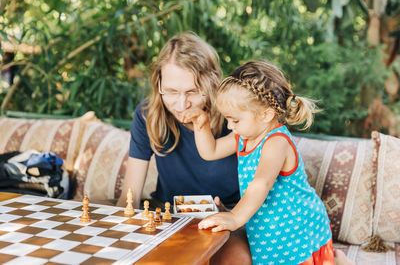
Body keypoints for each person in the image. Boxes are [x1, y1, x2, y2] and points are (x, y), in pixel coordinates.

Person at [117, 31, 251, 264]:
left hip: (226, 216)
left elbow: (261, 185)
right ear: (158, 82)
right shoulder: (147, 115)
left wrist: (229, 214)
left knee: (236, 260)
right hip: (167, 215)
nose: (181, 105)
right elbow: (130, 195)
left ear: (210, 83)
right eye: (171, 91)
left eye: (191, 92)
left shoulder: (236, 117)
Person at [182, 60, 335, 264]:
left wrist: (235, 217)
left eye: (235, 120)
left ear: (266, 114)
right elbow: (211, 151)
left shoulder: (276, 142)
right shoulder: (243, 137)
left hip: (297, 229)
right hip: (269, 230)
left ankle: (338, 259)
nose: (230, 126)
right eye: (227, 119)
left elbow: (261, 183)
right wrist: (202, 125)